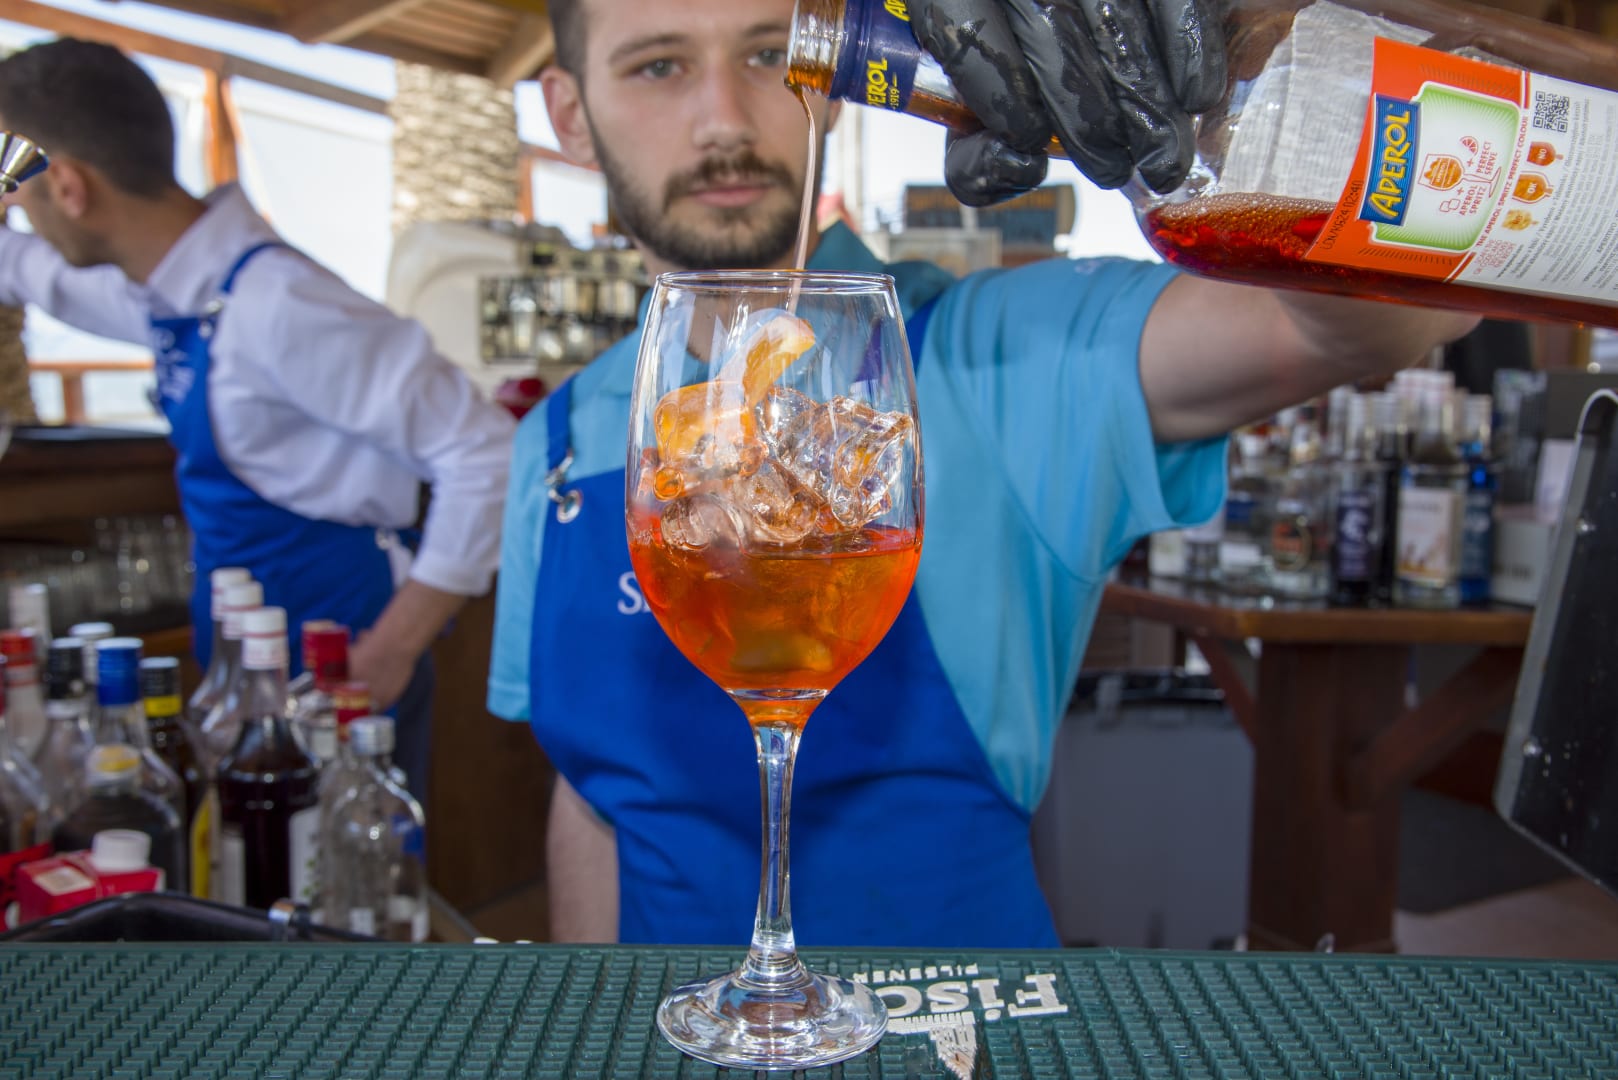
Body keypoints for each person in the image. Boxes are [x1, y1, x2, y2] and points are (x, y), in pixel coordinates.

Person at [487, 0, 1479, 947]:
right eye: (659, 65)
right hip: (670, 1028)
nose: (723, 119)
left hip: (968, 1023)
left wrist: (1235, 81)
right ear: (570, 113)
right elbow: (591, 796)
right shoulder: (557, 441)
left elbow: (1389, 320)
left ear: (829, 79)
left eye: (768, 54)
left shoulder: (1003, 357)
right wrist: (595, 1024)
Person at [0, 40, 515, 800]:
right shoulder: (170, 294)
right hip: (245, 661)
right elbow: (27, 271)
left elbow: (488, 451)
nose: (21, 213)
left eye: (23, 194)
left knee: (347, 865)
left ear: (69, 187)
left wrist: (394, 648)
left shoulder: (278, 304)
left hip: (340, 662)